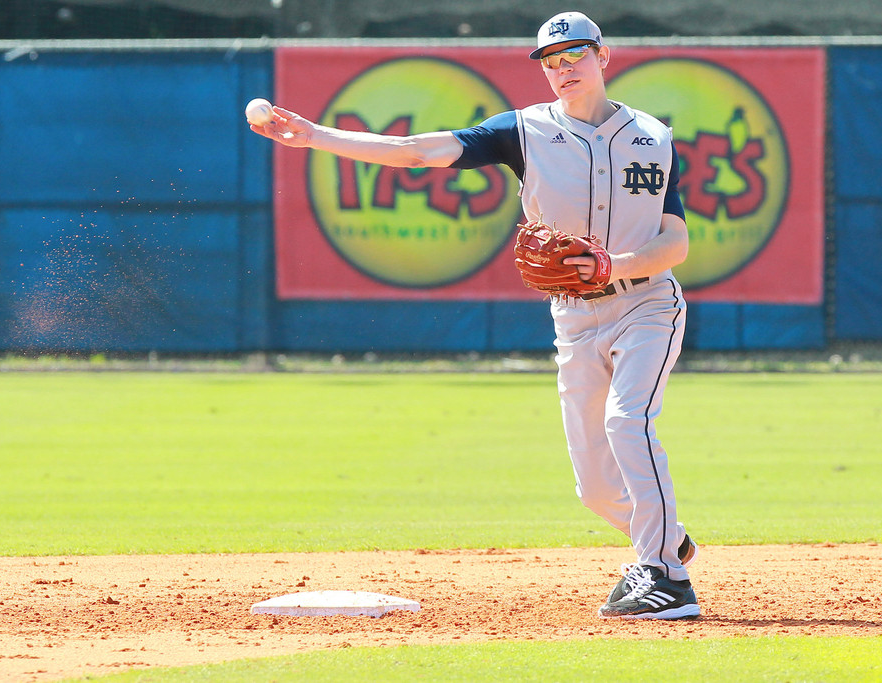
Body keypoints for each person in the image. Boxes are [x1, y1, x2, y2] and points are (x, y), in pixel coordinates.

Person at [250, 11, 699, 620]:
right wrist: (317, 137)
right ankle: (666, 538)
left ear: (604, 56)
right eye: (551, 61)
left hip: (647, 303)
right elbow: (417, 153)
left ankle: (665, 577)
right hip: (572, 316)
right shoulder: (523, 131)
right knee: (594, 488)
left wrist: (612, 266)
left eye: (575, 56)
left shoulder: (652, 135)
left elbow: (675, 241)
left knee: (628, 423)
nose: (564, 69)